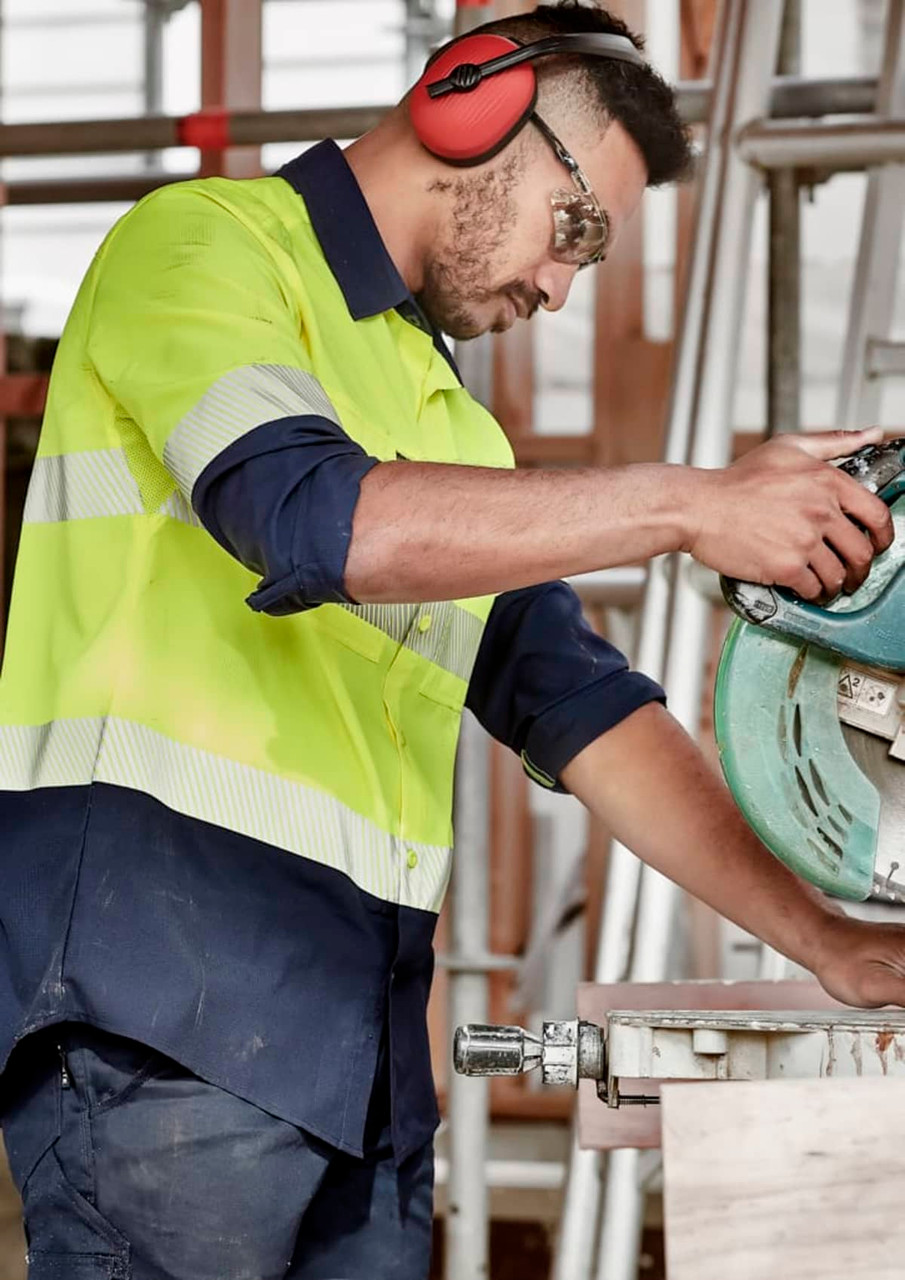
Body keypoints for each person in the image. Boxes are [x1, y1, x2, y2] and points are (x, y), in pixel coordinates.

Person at [1, 3, 904, 1278]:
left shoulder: (452, 431)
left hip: (360, 1049)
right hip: (168, 1015)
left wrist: (830, 940)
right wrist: (692, 502)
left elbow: (583, 707)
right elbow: (304, 514)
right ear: (473, 103)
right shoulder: (205, 250)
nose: (559, 285)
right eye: (575, 227)